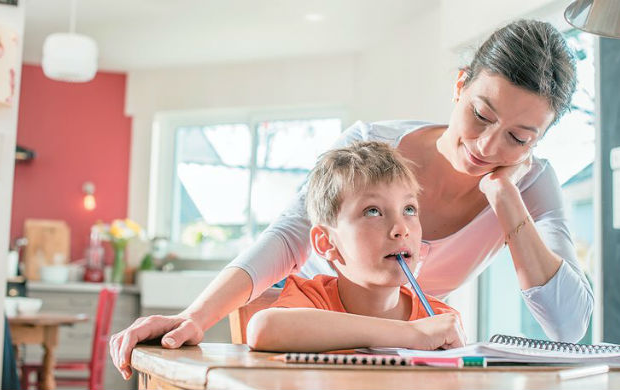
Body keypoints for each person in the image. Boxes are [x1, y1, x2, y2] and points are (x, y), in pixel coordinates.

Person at [110, 19, 593, 380]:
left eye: (519, 137)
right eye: (482, 115)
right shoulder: (372, 145)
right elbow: (289, 237)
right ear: (460, 85)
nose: (489, 147)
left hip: (397, 359)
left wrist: (506, 198)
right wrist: (194, 317)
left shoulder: (530, 186)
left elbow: (568, 328)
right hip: (309, 341)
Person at [247, 141, 464, 352]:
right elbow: (264, 328)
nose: (401, 228)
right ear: (326, 242)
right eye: (373, 211)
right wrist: (410, 334)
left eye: (409, 209)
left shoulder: (439, 319)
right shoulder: (312, 300)